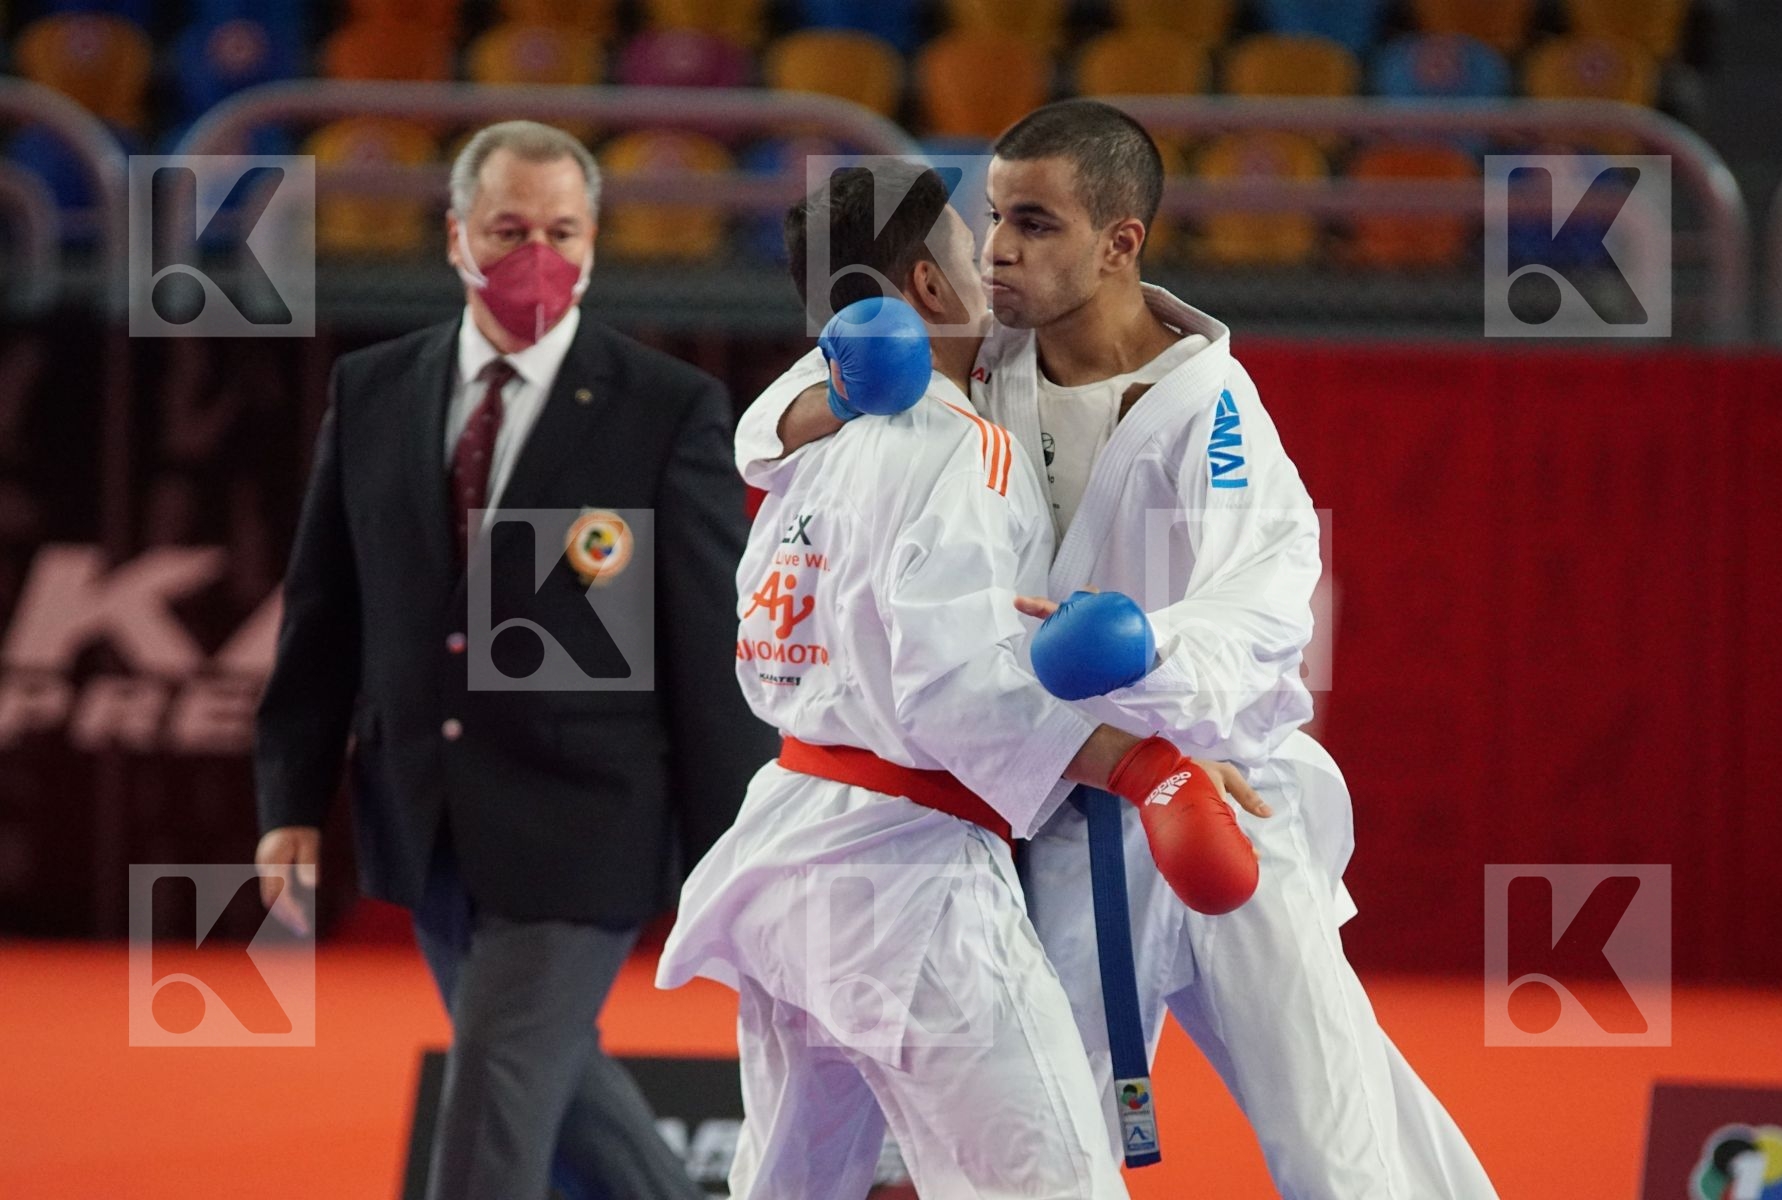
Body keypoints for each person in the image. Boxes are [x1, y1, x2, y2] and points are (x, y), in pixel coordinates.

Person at [740, 101, 1499, 1199]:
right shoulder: (975, 353)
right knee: (1044, 1137)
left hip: (1220, 796)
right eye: (993, 217)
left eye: (1036, 223)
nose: (998, 248)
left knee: (1332, 1129)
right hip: (1054, 809)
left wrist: (1145, 646)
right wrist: (834, 388)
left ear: (1120, 241)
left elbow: (1268, 603)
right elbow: (765, 438)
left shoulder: (1209, 406)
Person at [658, 162, 1268, 1200]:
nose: (993, 268)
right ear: (929, 291)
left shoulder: (811, 442)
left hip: (785, 853)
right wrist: (1147, 766)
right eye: (967, 251)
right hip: (907, 885)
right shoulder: (962, 449)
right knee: (1050, 1186)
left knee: (790, 1186)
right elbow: (953, 690)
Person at [251, 120, 773, 1200]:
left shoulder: (666, 408)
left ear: (594, 244)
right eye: (508, 228)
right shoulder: (375, 389)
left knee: (494, 1089)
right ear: (455, 239)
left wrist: (740, 855)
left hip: (588, 824)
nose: (536, 252)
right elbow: (324, 614)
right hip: (424, 816)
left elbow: (706, 650)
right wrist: (289, 799)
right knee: (557, 1082)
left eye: (561, 229)